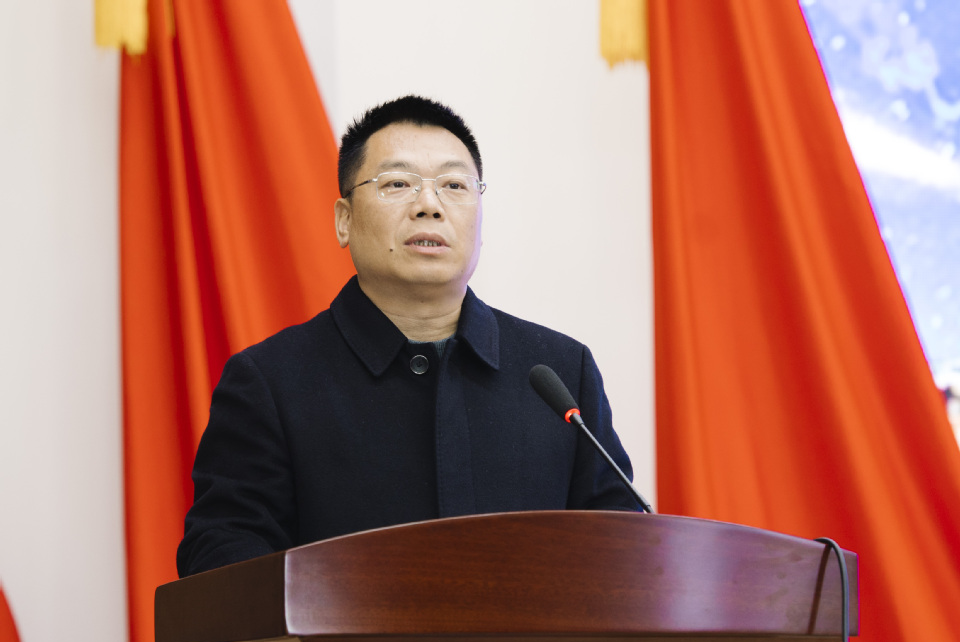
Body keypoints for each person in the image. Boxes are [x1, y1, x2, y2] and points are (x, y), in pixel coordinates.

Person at [177, 95, 640, 577]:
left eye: (454, 185)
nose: (429, 205)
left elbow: (622, 551)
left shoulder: (560, 374)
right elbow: (224, 556)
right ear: (344, 220)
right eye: (397, 183)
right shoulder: (271, 383)